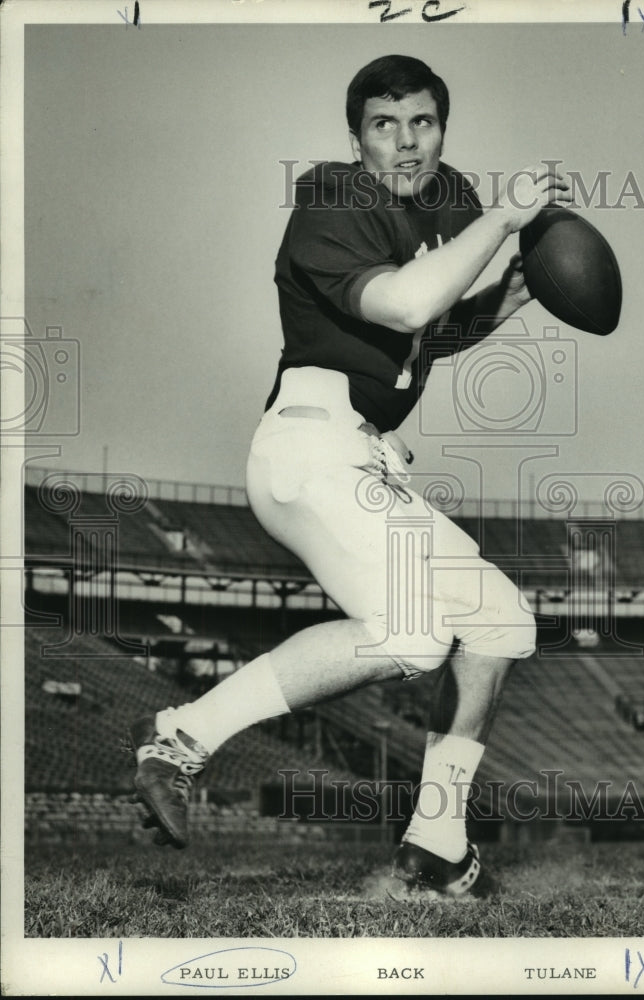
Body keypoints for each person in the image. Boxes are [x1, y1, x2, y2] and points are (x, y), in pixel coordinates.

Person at [129, 54, 572, 896]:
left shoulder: (451, 203)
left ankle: (436, 845)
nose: (406, 144)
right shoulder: (333, 198)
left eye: (423, 123)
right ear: (355, 137)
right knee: (411, 635)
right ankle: (180, 736)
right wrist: (508, 222)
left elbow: (419, 338)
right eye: (383, 124)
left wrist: (504, 300)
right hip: (309, 440)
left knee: (502, 623)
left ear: (444, 125)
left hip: (364, 450)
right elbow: (402, 305)